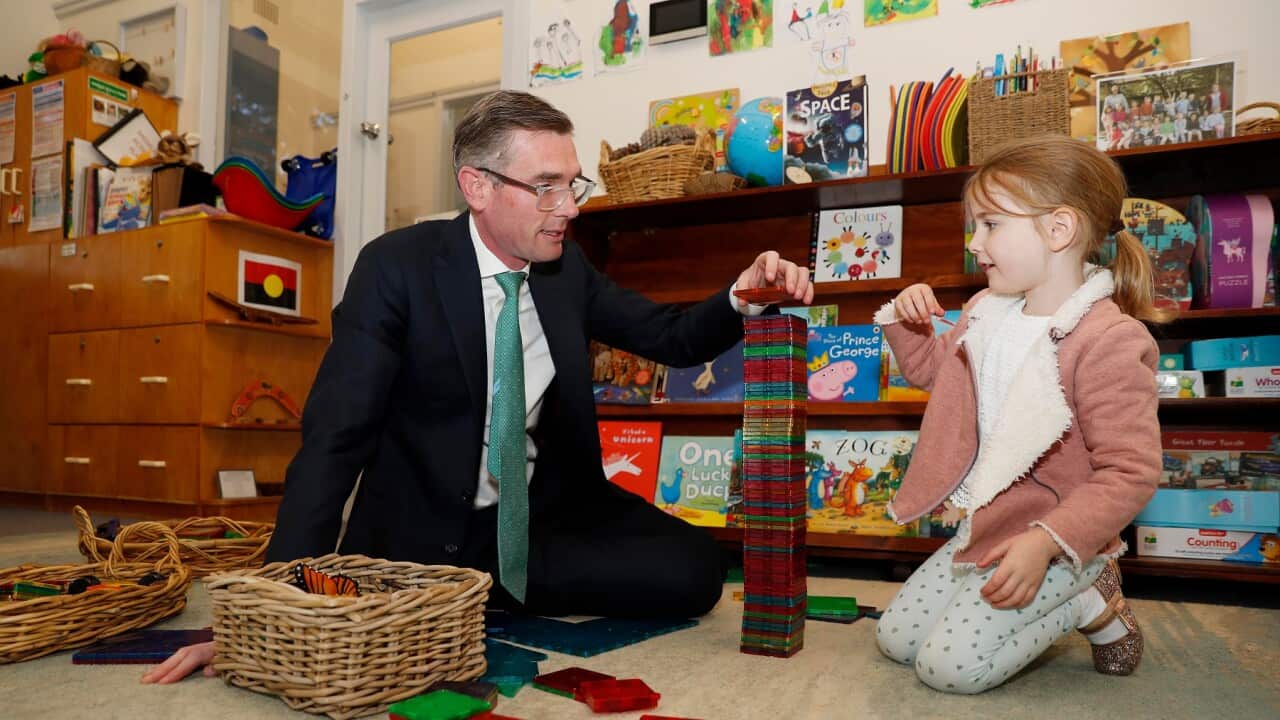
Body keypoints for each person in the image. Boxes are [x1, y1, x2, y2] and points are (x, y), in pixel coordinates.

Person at [143, 90, 813, 684]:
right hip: (423, 532)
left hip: (540, 520)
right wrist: (267, 605)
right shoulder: (396, 269)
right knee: (365, 595)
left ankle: (477, 596)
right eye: (545, 187)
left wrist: (742, 295)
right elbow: (333, 442)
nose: (568, 209)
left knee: (696, 570)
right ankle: (451, 594)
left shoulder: (566, 271)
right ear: (478, 187)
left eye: (572, 185)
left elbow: (670, 336)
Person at [872, 134, 1165, 694]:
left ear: (1058, 230)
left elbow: (1131, 471)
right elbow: (936, 375)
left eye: (990, 225)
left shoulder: (1109, 339)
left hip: (1058, 540)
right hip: (989, 524)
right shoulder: (986, 310)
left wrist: (1047, 541)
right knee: (896, 640)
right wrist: (908, 323)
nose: (974, 242)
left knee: (949, 670)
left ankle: (1089, 599)